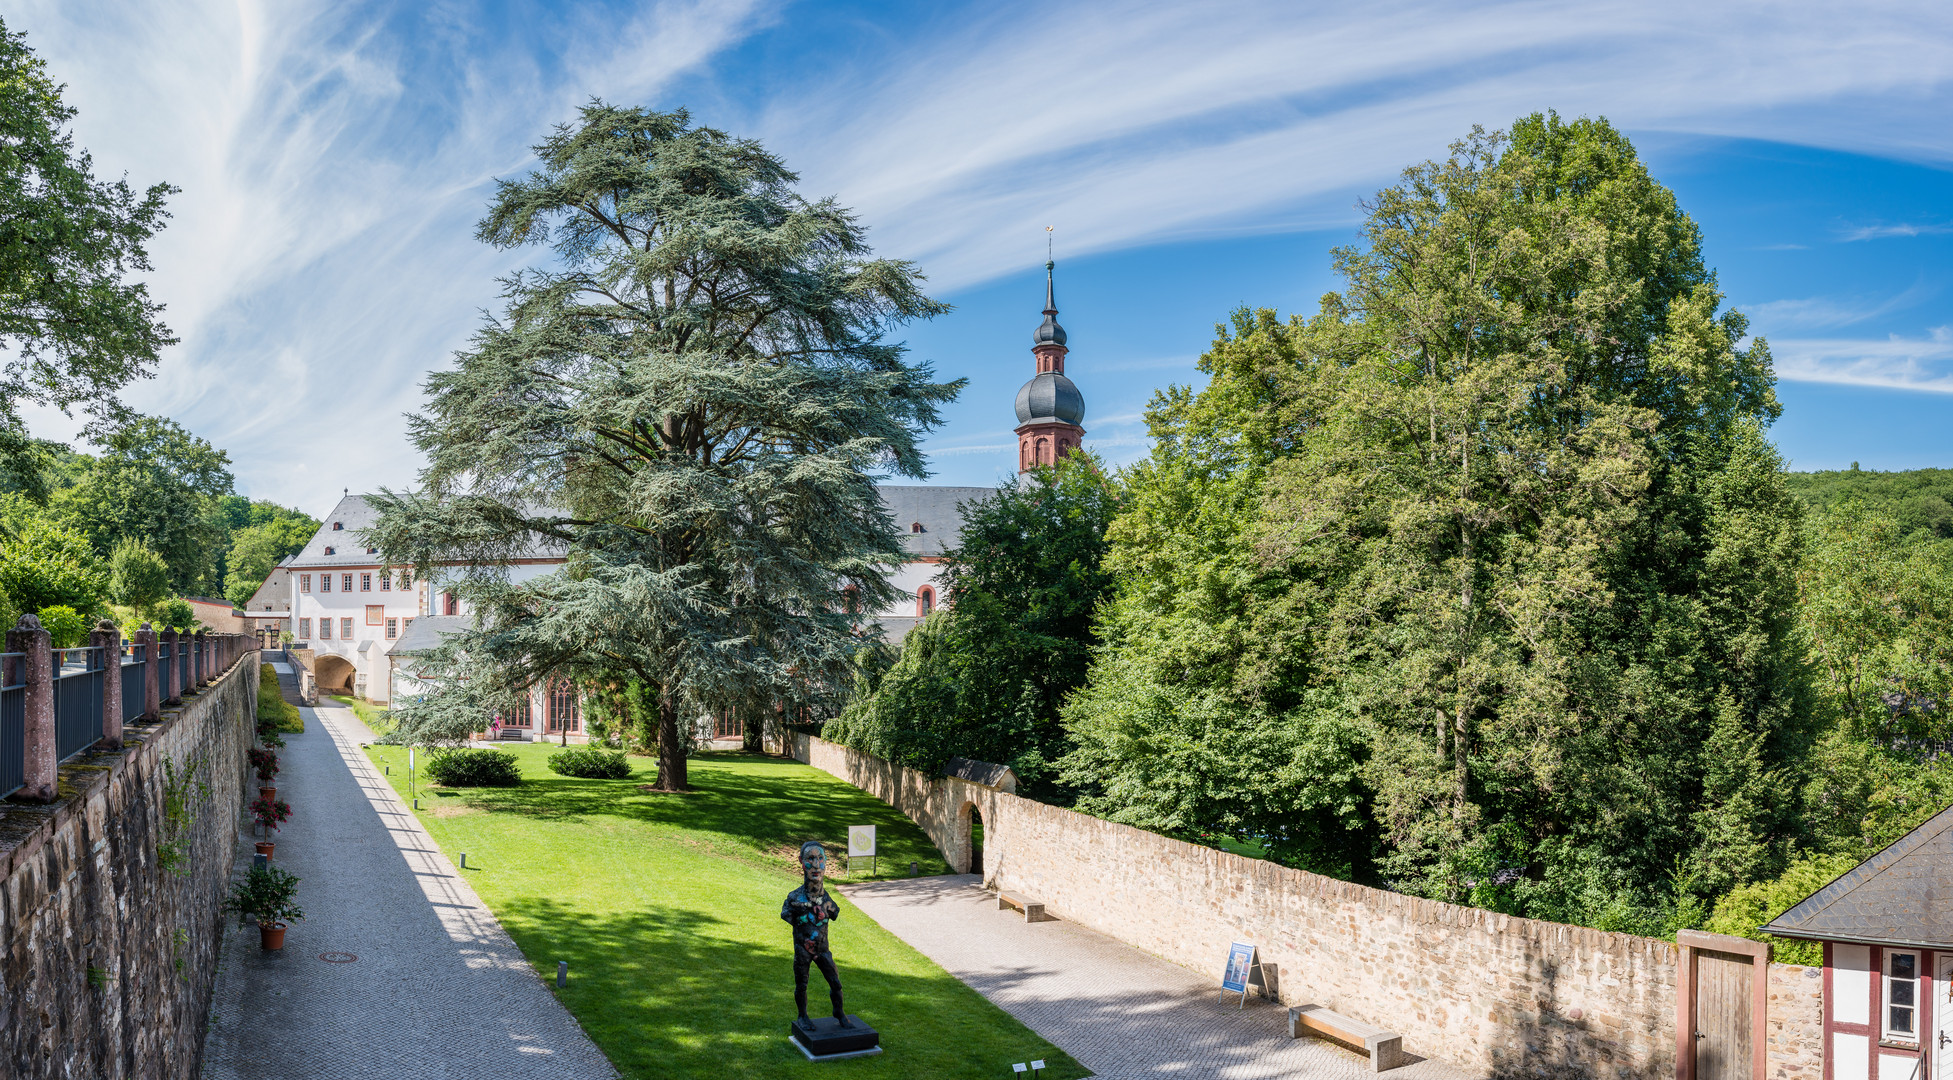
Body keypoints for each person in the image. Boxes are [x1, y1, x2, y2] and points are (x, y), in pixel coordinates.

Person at [781, 840, 849, 1028]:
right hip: (802, 950)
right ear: (802, 862)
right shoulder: (794, 898)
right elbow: (786, 915)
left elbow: (834, 913)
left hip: (823, 950)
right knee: (802, 985)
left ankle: (839, 1012)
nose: (816, 865)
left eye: (820, 858)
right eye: (811, 859)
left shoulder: (827, 899)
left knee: (836, 983)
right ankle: (802, 1015)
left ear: (826, 862)